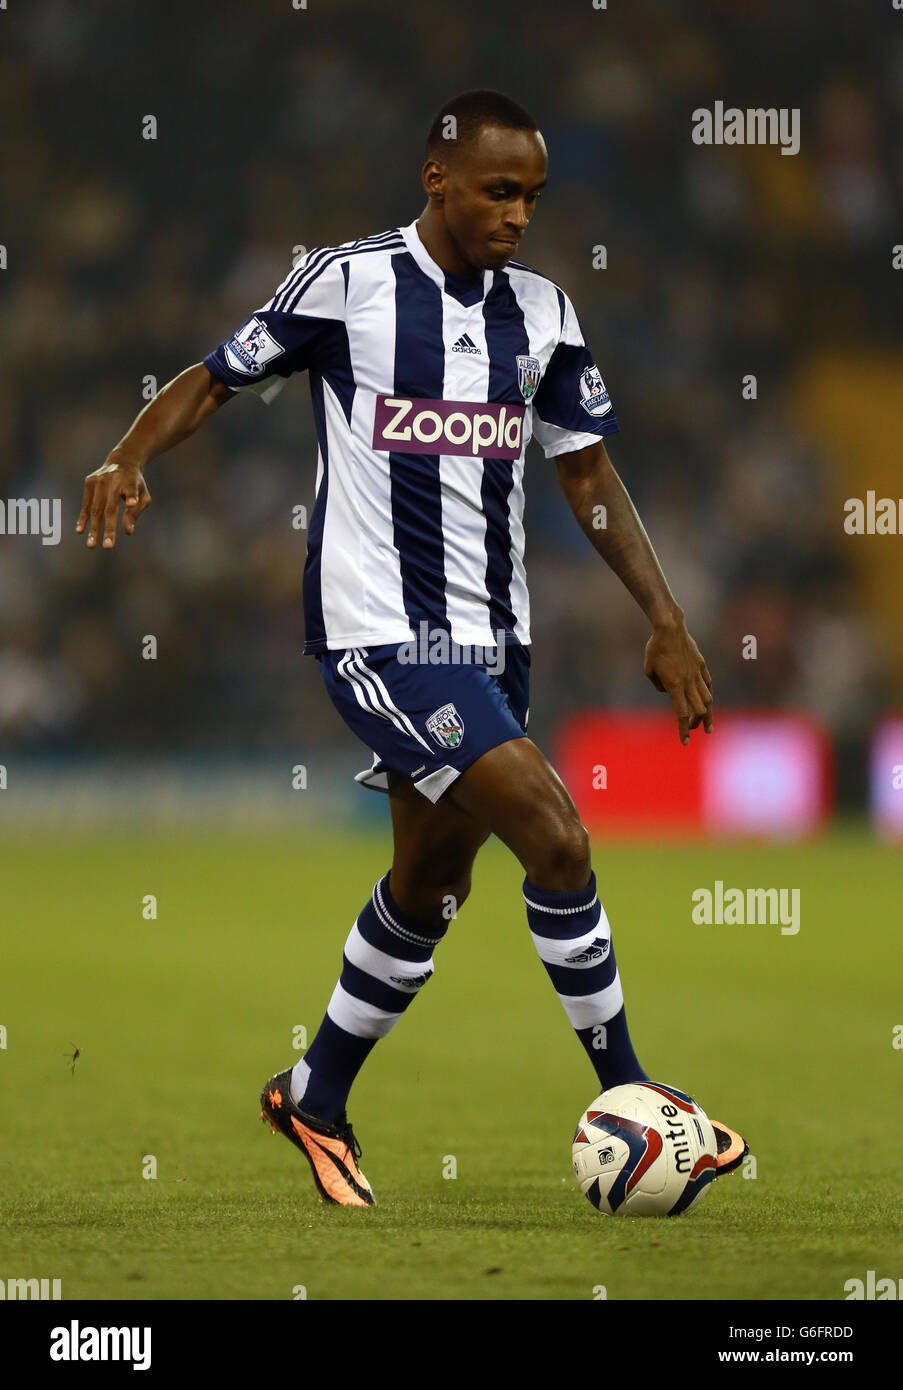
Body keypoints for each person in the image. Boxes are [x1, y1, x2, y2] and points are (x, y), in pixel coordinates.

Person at [78, 89, 746, 1207]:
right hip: (381, 633)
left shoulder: (543, 311)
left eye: (532, 196)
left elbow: (584, 472)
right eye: (498, 190)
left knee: (432, 880)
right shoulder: (345, 282)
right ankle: (640, 1101)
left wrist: (665, 618)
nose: (518, 215)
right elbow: (214, 376)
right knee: (559, 840)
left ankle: (314, 1096)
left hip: (497, 638)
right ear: (438, 178)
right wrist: (128, 451)